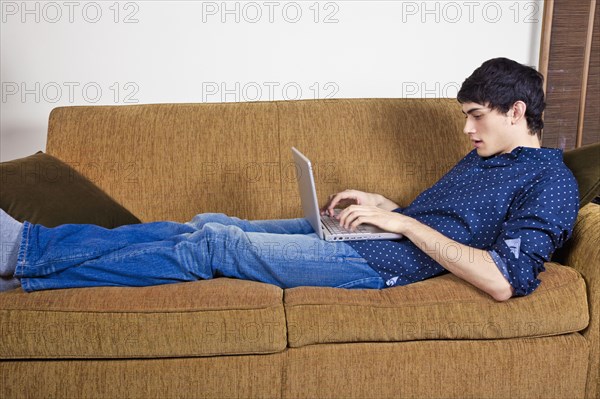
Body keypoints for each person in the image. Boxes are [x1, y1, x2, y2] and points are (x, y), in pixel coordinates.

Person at [0, 57, 579, 301]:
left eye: (476, 115)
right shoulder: (484, 161)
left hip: (386, 265)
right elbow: (446, 221)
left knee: (216, 246)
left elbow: (503, 280)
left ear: (517, 112)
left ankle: (24, 252)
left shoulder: (550, 180)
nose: (468, 129)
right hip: (379, 241)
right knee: (209, 222)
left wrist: (397, 221)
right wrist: (383, 203)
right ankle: (27, 266)